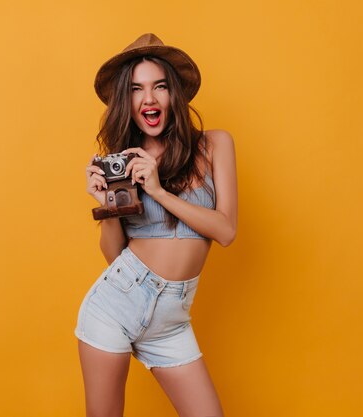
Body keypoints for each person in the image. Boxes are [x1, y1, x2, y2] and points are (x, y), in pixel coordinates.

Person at [76, 33, 237, 417]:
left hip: (172, 321)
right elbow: (113, 255)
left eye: (159, 86)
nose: (149, 99)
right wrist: (108, 205)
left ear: (174, 95)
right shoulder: (125, 161)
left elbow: (226, 230)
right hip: (116, 304)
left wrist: (159, 191)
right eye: (136, 89)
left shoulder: (214, 145)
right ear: (126, 102)